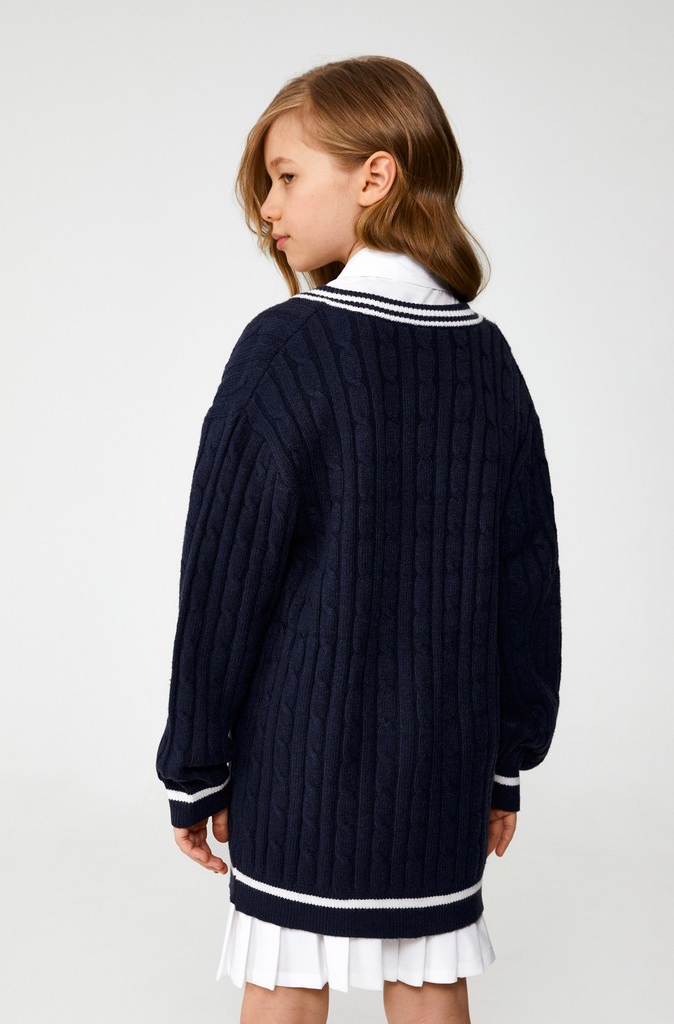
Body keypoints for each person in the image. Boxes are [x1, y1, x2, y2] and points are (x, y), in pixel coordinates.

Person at [155, 55, 562, 1024]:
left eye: (287, 175)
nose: (266, 207)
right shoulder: (488, 357)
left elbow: (223, 580)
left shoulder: (288, 345)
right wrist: (505, 760)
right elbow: (527, 579)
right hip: (443, 765)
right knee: (430, 981)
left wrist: (195, 765)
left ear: (375, 176)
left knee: (285, 983)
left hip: (301, 763)